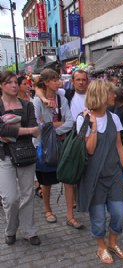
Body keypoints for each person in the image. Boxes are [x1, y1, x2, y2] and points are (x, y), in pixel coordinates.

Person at [76, 79, 123, 264]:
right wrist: (93, 127)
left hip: (115, 174)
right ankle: (101, 247)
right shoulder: (83, 119)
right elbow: (90, 150)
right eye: (110, 93)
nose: (114, 96)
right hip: (94, 178)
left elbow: (118, 145)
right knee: (99, 218)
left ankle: (112, 243)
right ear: (101, 95)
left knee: (118, 212)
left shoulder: (114, 117)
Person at [0, 71, 41, 245]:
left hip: (25, 154)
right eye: (9, 82)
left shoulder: (27, 105)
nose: (14, 85)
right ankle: (10, 230)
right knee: (10, 198)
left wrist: (11, 129)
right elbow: (2, 130)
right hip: (4, 156)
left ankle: (29, 230)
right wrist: (25, 130)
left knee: (28, 194)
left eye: (16, 82)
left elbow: (35, 127)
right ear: (1, 85)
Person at [33, 69, 78, 227]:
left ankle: (70, 215)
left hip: (62, 143)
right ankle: (47, 210)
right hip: (44, 145)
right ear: (46, 82)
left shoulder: (61, 97)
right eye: (54, 80)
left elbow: (70, 121)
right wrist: (53, 127)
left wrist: (52, 129)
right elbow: (37, 126)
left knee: (67, 179)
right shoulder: (38, 101)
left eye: (58, 79)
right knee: (46, 180)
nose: (58, 82)